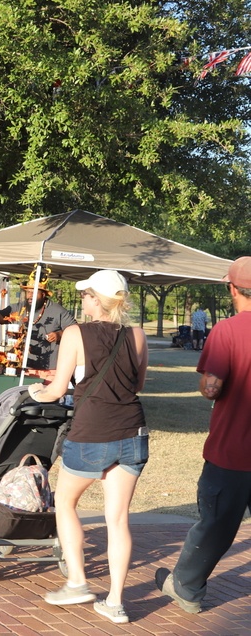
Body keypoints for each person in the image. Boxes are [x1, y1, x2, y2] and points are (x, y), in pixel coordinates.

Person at [27, 270, 148, 625]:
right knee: (118, 518)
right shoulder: (137, 334)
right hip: (133, 433)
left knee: (65, 502)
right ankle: (115, 601)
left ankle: (78, 581)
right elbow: (134, 382)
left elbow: (55, 390)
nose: (82, 301)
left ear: (97, 299)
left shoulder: (75, 333)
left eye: (85, 296)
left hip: (93, 430)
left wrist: (34, 392)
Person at [156, 257, 251, 615]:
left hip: (230, 451)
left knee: (215, 524)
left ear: (232, 288)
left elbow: (212, 389)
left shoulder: (226, 330)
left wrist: (205, 382)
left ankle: (186, 587)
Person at [0, 284, 76, 372]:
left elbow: (76, 330)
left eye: (34, 293)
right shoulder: (20, 308)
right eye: (28, 292)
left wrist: (59, 334)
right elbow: (0, 316)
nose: (30, 295)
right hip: (21, 367)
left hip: (49, 369)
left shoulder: (58, 311)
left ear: (43, 294)